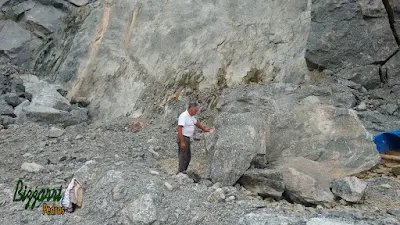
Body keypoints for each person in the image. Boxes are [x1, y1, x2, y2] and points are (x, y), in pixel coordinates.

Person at [177, 102, 211, 173]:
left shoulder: (191, 116)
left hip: (187, 138)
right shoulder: (184, 116)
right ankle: (181, 172)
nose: (196, 112)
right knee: (183, 156)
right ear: (191, 109)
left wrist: (204, 129)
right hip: (183, 138)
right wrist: (182, 141)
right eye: (195, 111)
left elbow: (197, 123)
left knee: (188, 156)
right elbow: (179, 128)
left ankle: (184, 171)